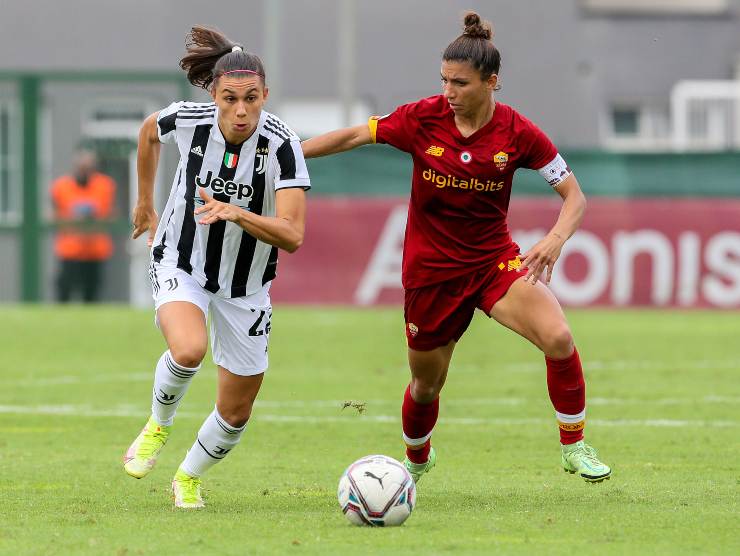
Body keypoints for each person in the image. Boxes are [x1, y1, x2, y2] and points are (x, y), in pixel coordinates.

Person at [302, 12, 610, 484]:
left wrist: (554, 238)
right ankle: (417, 456)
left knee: (559, 337)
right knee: (426, 385)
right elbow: (353, 135)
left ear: (492, 83)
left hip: (493, 264)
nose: (449, 92)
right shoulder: (420, 118)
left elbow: (575, 196)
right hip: (430, 273)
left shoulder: (518, 133)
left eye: (460, 83)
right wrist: (291, 154)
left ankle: (575, 445)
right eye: (444, 80)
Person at [124, 26, 310, 509]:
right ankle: (157, 426)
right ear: (214, 94)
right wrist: (145, 202)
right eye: (231, 98)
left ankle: (187, 478)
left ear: (265, 95)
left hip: (247, 287)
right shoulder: (188, 120)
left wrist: (239, 213)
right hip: (181, 260)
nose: (242, 110)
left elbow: (292, 235)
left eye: (252, 98)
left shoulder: (283, 144)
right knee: (188, 349)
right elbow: (148, 132)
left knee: (236, 410)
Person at [51, 149, 116, 303]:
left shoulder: (105, 186)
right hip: (70, 250)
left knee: (91, 294)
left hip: (95, 250)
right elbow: (54, 215)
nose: (84, 172)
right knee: (64, 291)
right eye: (81, 168)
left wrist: (93, 217)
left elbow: (111, 213)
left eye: (87, 168)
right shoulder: (61, 187)